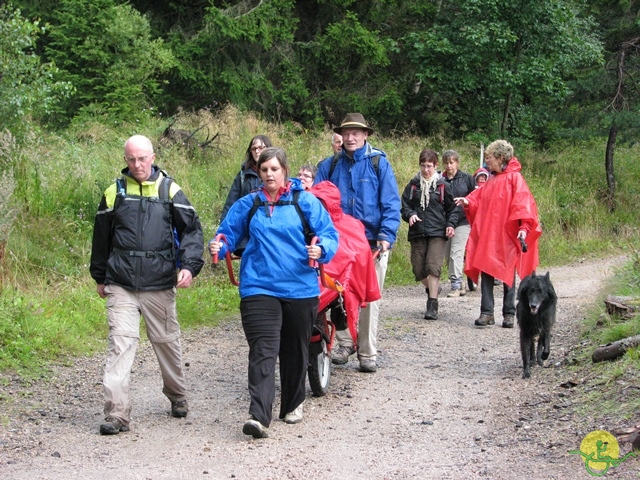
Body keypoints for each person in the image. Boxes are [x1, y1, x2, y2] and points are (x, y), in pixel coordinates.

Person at [209, 147, 338, 439]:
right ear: (259, 172)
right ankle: (258, 416)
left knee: (294, 351)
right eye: (264, 169)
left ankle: (293, 403)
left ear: (284, 172)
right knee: (263, 349)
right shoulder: (248, 204)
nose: (269, 174)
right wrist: (219, 245)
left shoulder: (305, 202)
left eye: (274, 169)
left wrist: (321, 249)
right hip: (259, 286)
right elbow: (227, 233)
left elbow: (329, 234)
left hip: (299, 287)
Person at [90, 135, 204, 435]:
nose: (137, 165)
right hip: (121, 283)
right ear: (125, 160)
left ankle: (177, 395)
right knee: (120, 345)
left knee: (167, 344)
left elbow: (191, 230)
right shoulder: (114, 192)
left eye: (142, 158)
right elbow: (100, 237)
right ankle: (117, 414)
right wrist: (100, 277)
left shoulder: (169, 189)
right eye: (131, 159)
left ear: (152, 157)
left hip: (159, 283)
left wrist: (189, 266)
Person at [315, 112, 401, 373]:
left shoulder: (378, 164)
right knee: (332, 295)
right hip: (337, 245)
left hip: (371, 244)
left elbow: (390, 202)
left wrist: (386, 236)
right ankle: (344, 343)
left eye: (356, 133)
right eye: (346, 133)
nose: (350, 137)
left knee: (368, 298)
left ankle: (367, 352)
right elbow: (315, 203)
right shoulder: (328, 166)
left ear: (365, 135)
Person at [455, 139, 541, 328]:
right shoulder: (492, 179)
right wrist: (468, 202)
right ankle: (487, 312)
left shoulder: (515, 179)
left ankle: (509, 313)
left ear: (501, 158)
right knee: (486, 269)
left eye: (489, 158)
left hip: (508, 236)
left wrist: (523, 230)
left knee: (507, 273)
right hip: (489, 236)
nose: (487, 162)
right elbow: (480, 198)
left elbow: (524, 207)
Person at [401, 149, 458, 320]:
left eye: (429, 166)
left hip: (437, 232)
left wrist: (450, 224)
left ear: (435, 166)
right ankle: (435, 287)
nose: (426, 170)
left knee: (433, 266)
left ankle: (432, 303)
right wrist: (410, 214)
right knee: (418, 269)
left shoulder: (443, 186)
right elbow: (404, 206)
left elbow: (453, 209)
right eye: (423, 166)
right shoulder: (413, 185)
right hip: (418, 231)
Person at [220, 135, 272, 254]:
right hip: (247, 230)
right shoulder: (243, 175)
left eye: (261, 147)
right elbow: (231, 202)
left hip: (269, 229)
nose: (257, 151)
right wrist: (222, 231)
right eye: (254, 148)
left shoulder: (275, 173)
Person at [442, 150, 476, 298]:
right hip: (446, 221)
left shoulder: (467, 178)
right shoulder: (440, 180)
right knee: (448, 254)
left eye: (452, 162)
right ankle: (460, 282)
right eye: (447, 163)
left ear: (457, 163)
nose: (449, 166)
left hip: (463, 221)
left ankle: (455, 284)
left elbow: (475, 198)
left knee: (456, 252)